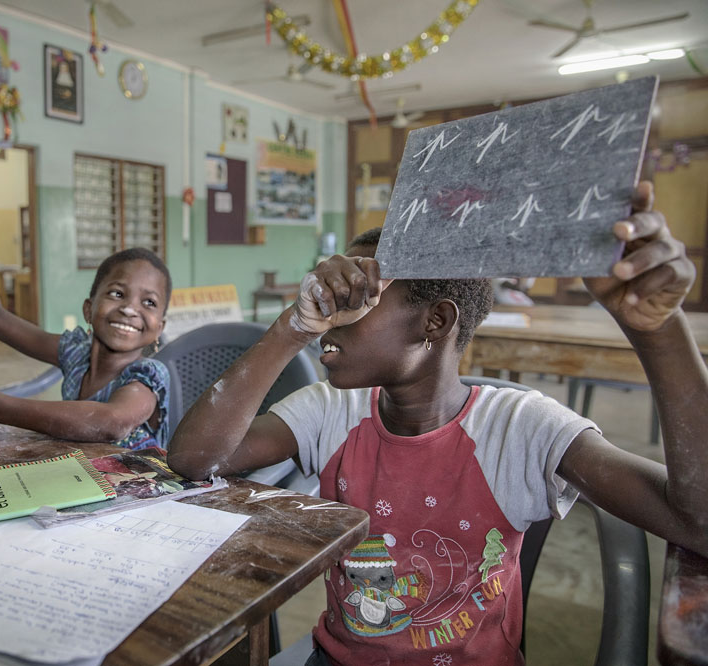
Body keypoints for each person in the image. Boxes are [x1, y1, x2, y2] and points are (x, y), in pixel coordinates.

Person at [168, 182, 708, 665]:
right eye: (332, 300)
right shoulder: (329, 411)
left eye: (358, 303)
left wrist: (659, 331)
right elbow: (195, 459)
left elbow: (695, 520)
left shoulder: (520, 430)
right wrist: (294, 327)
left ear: (435, 321)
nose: (332, 317)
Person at [0, 210, 171, 450]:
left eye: (149, 302)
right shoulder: (76, 353)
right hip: (82, 480)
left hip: (138, 497)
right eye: (117, 293)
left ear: (160, 327)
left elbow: (111, 423)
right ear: (88, 309)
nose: (130, 309)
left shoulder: (147, 377)